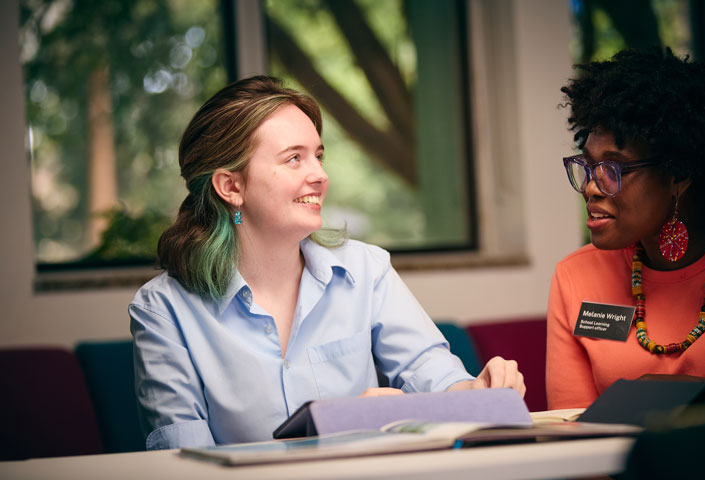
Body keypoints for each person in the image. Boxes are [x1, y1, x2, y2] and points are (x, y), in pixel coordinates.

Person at [130, 76, 525, 450]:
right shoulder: (163, 310)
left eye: (318, 156)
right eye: (294, 159)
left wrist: (477, 392)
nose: (320, 175)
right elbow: (183, 462)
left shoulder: (367, 269)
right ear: (231, 187)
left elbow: (431, 371)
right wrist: (348, 426)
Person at [546, 47, 705, 409]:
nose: (592, 186)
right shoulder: (575, 277)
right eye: (589, 166)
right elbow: (572, 436)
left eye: (615, 169)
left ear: (679, 174)